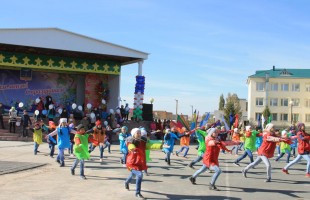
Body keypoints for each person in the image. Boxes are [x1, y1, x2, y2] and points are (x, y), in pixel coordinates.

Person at [124, 128, 162, 199]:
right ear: (133, 134)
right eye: (137, 133)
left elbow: (149, 146)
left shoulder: (143, 141)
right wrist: (133, 149)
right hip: (131, 163)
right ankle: (137, 193)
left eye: (139, 133)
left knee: (132, 175)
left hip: (139, 162)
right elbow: (130, 146)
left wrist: (160, 146)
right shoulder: (130, 140)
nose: (139, 134)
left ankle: (126, 182)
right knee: (139, 175)